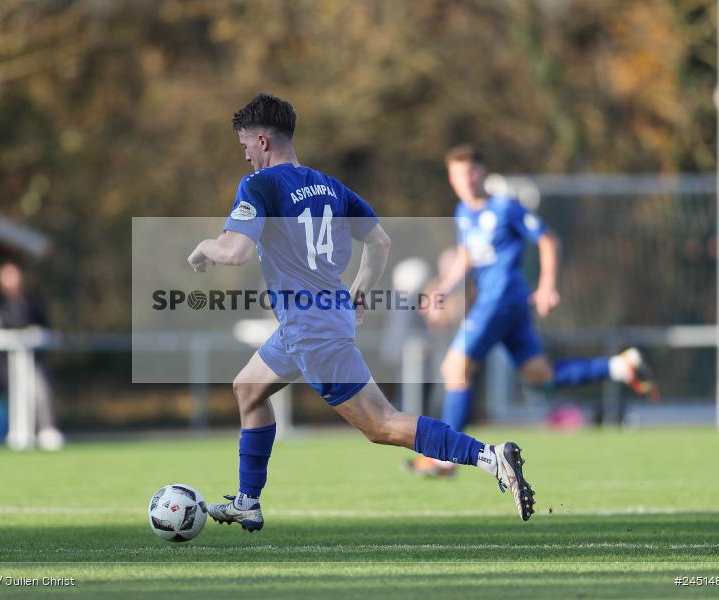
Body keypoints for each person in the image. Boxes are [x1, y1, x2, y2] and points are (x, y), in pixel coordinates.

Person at [187, 94, 536, 531]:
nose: (244, 154)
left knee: (381, 424)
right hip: (316, 318)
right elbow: (380, 241)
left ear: (261, 140)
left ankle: (489, 456)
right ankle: (247, 501)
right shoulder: (329, 185)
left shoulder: (258, 186)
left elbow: (235, 251)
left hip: (310, 329)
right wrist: (360, 291)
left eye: (244, 145)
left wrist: (205, 248)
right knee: (248, 389)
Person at [413, 144, 657, 476]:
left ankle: (445, 458)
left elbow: (548, 240)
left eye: (471, 171)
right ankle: (618, 366)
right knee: (540, 377)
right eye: (458, 174)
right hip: (504, 305)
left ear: (482, 172)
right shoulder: (462, 213)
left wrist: (547, 286)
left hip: (503, 299)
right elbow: (466, 257)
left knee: (455, 367)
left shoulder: (505, 207)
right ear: (451, 178)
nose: (466, 180)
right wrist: (443, 288)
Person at [0, 261, 63, 451]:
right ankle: (13, 431)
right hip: (6, 363)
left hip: (34, 360)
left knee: (40, 387)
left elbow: (45, 328)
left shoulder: (33, 301)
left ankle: (47, 428)